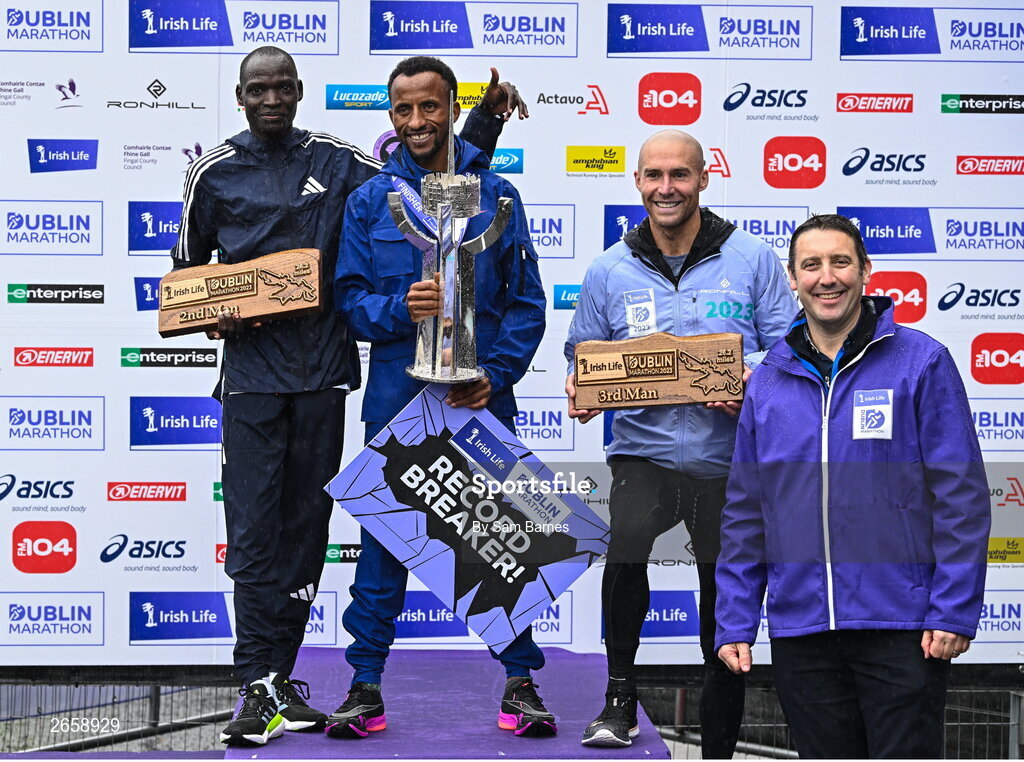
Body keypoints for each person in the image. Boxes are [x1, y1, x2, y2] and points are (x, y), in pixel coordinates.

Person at [169, 45, 526, 747]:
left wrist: (483, 124)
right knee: (251, 538)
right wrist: (213, 309)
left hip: (325, 379)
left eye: (281, 88)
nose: (270, 99)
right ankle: (255, 684)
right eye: (256, 89)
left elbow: (430, 172)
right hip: (249, 381)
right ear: (240, 97)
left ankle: (281, 680)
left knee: (304, 534)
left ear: (298, 91)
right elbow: (186, 280)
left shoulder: (339, 162)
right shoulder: (212, 172)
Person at [330, 55, 550, 740]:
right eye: (404, 109)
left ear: (452, 108)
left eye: (430, 107)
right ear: (391, 116)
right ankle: (364, 686)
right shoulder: (371, 200)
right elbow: (351, 302)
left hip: (478, 403)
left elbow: (527, 305)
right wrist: (403, 306)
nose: (417, 121)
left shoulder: (496, 194)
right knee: (384, 548)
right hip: (399, 401)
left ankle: (521, 686)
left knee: (497, 543)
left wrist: (501, 373)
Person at [715, 214, 991, 759]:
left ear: (865, 270)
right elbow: (747, 512)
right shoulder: (769, 379)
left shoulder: (921, 362)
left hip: (903, 628)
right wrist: (735, 619)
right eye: (810, 265)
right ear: (792, 280)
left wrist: (953, 609)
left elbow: (960, 496)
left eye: (840, 262)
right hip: (803, 632)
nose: (827, 277)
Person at [563, 129, 795, 751]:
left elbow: (791, 350)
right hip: (645, 452)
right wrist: (582, 386)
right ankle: (618, 699)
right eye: (654, 175)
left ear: (703, 179)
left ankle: (720, 734)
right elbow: (583, 352)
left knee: (724, 592)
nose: (667, 188)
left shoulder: (751, 258)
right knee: (626, 551)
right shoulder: (609, 268)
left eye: (680, 175)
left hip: (728, 460)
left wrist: (752, 380)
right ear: (637, 181)